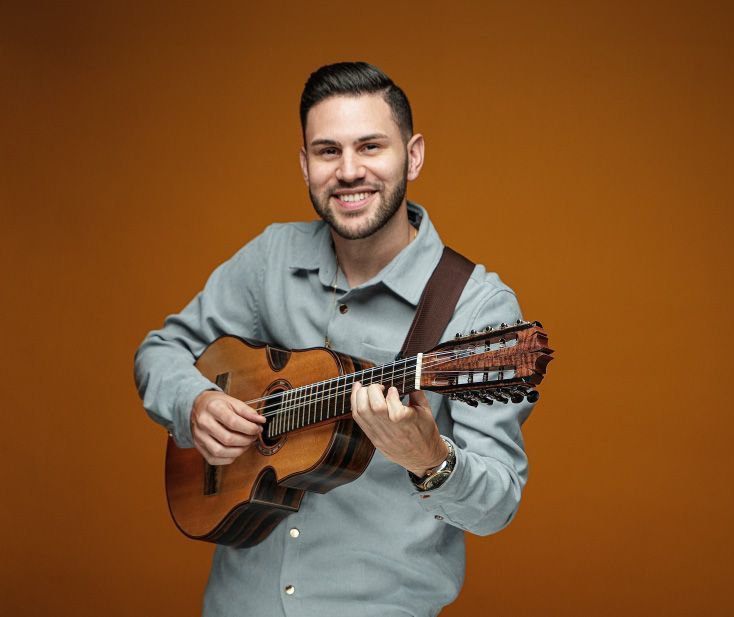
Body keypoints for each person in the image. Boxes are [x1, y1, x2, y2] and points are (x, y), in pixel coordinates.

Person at [135, 62, 537, 617]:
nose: (349, 171)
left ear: (413, 155)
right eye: (327, 151)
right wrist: (195, 402)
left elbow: (497, 505)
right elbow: (161, 351)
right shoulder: (270, 259)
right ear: (305, 164)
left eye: (371, 147)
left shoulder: (479, 310)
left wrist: (431, 459)